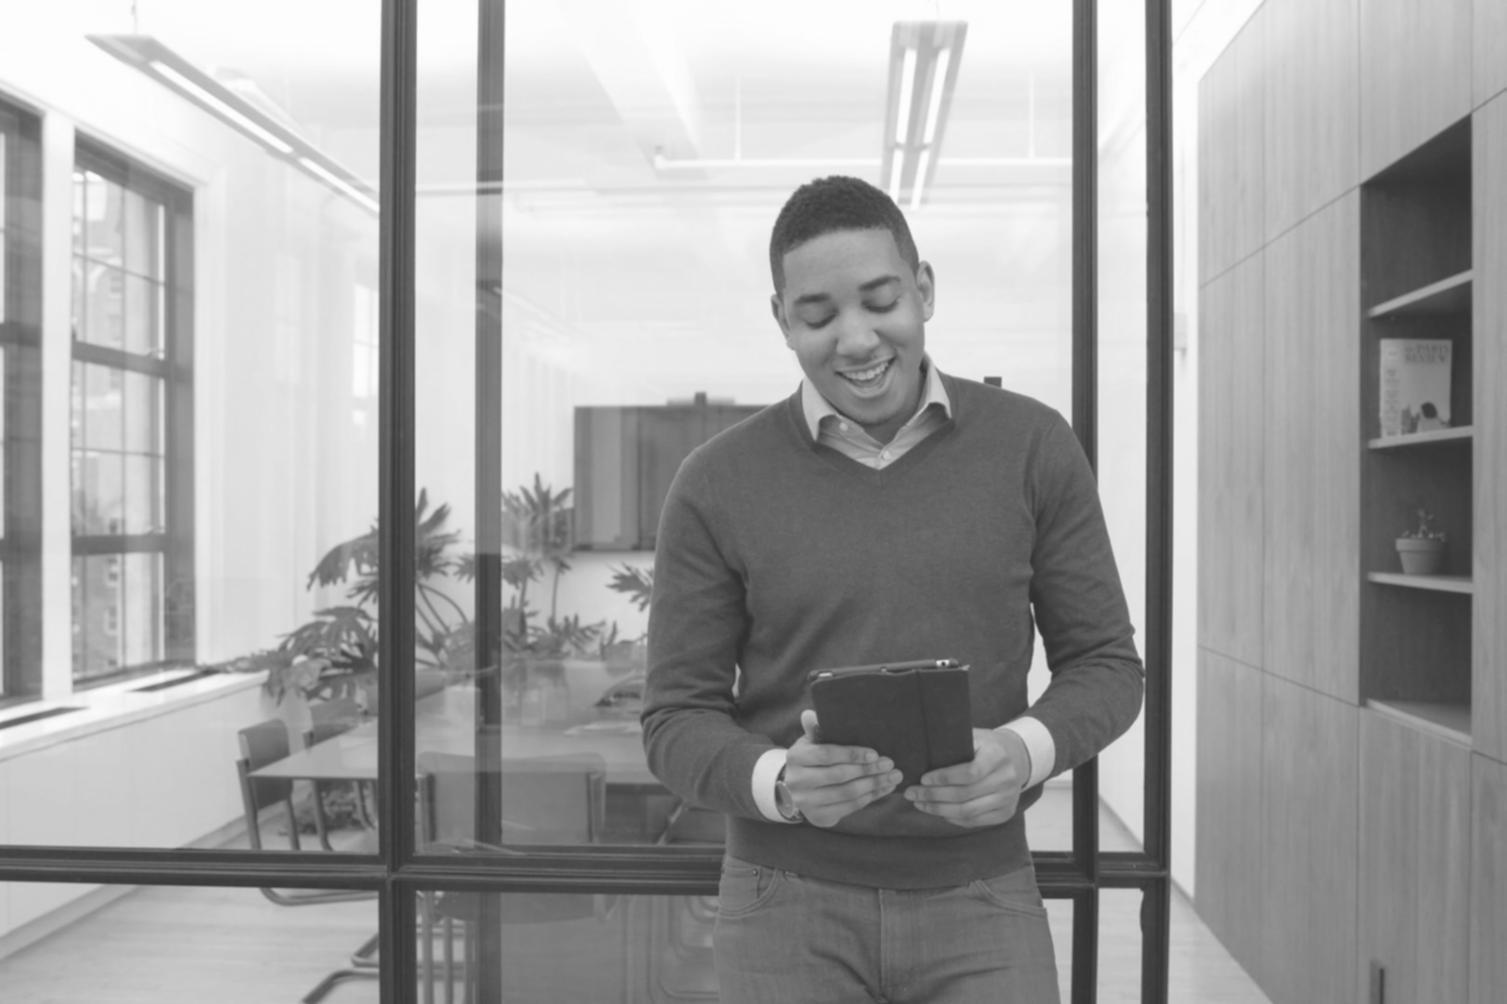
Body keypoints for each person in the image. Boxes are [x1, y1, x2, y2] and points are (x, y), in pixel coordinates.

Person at [641, 175, 1144, 1003]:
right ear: (780, 321)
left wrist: (1022, 751)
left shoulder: (1032, 446)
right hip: (781, 903)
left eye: (881, 301)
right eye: (817, 316)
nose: (856, 339)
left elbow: (1106, 667)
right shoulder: (715, 482)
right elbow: (674, 720)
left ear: (925, 290)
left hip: (980, 894)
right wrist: (779, 781)